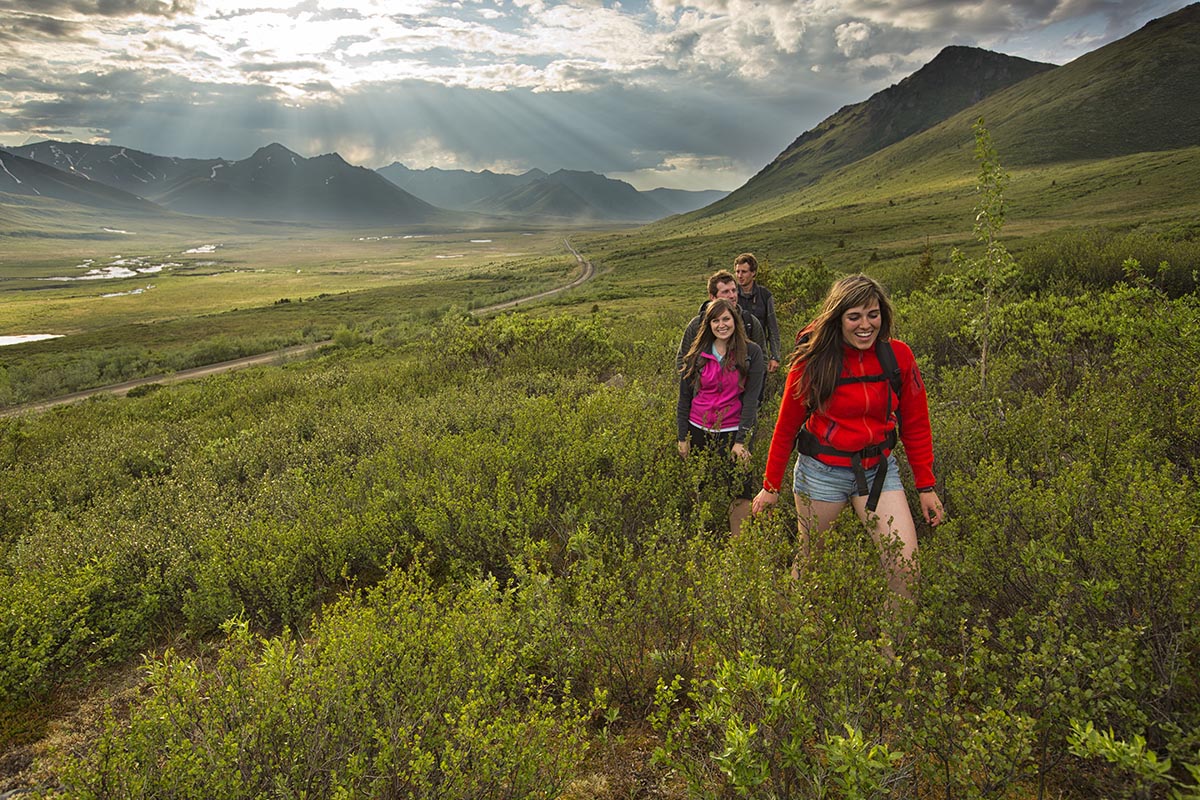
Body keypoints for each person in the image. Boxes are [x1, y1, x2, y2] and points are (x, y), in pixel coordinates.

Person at [751, 274, 944, 599]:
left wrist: (926, 487)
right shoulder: (813, 361)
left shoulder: (898, 357)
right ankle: (785, 637)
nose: (865, 325)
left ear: (883, 315)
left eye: (873, 314)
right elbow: (786, 428)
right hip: (821, 474)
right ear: (838, 318)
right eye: (854, 316)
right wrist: (771, 486)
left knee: (906, 566)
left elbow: (916, 424)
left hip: (879, 471)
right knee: (811, 561)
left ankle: (889, 650)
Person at [678, 298, 766, 536]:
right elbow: (684, 396)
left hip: (732, 429)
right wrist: (681, 436)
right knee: (700, 485)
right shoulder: (697, 354)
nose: (721, 325)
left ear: (735, 321)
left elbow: (751, 400)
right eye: (715, 320)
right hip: (698, 428)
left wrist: (741, 441)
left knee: (740, 488)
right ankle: (700, 539)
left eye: (726, 319)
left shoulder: (751, 353)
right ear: (708, 324)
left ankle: (739, 547)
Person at [677, 270, 768, 374]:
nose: (732, 296)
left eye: (734, 290)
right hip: (705, 388)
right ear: (712, 297)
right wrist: (696, 383)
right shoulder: (697, 324)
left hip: (741, 388)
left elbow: (762, 358)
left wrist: (752, 384)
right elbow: (682, 359)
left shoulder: (749, 322)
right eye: (725, 292)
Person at [734, 253, 781, 374]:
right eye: (737, 272)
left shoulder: (765, 295)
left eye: (744, 272)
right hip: (735, 355)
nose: (739, 276)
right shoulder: (731, 295)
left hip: (759, 354)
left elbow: (772, 328)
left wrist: (775, 357)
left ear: (753, 272)